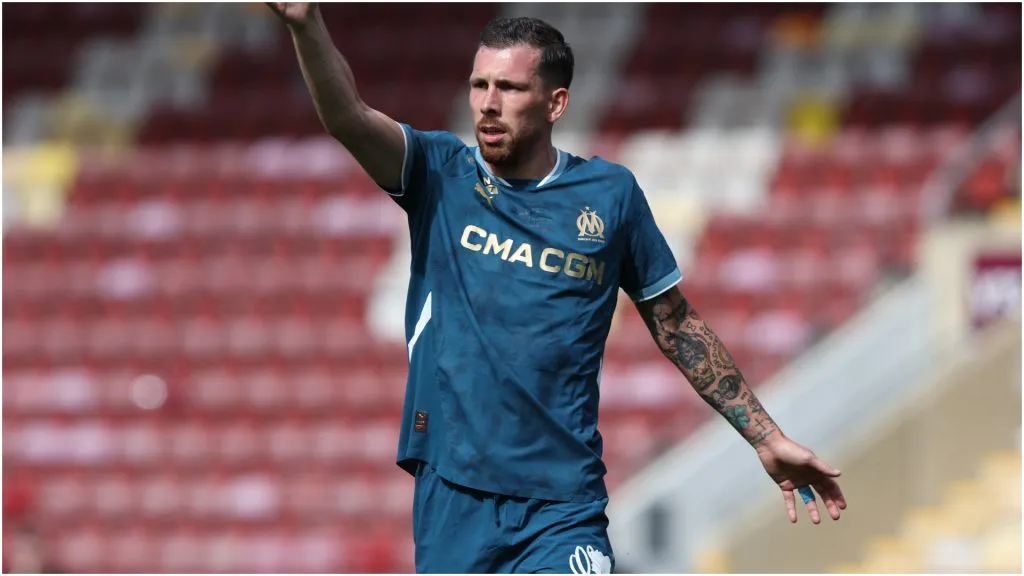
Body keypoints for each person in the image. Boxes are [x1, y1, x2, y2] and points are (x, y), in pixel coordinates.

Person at [268, 4, 848, 573]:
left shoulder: (610, 196)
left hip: (562, 506)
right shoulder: (439, 175)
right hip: (453, 498)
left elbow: (675, 322)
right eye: (479, 85)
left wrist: (765, 437)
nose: (489, 105)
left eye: (511, 89)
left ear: (555, 103)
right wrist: (307, 23)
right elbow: (347, 116)